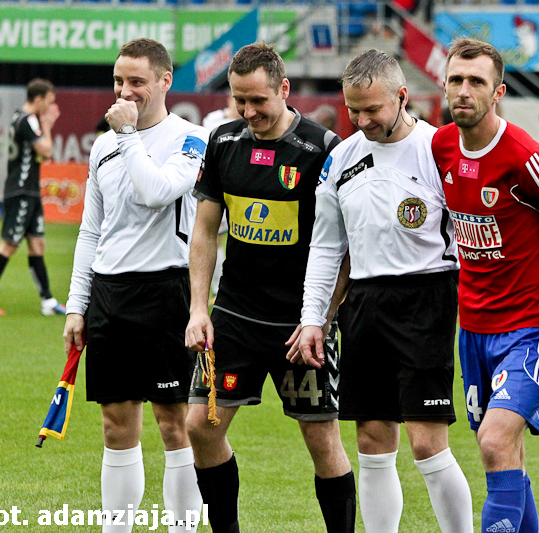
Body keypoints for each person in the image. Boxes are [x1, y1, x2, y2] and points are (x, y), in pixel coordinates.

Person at [296, 49, 473, 533]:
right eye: (354, 110)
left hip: (428, 297)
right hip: (364, 302)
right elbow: (326, 247)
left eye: (372, 109)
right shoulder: (340, 159)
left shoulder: (438, 148)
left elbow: (470, 232)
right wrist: (313, 318)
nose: (362, 120)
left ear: (402, 96)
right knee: (372, 440)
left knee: (427, 443)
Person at [183, 42, 356, 533]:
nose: (248, 111)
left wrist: (322, 318)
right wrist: (199, 309)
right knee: (200, 427)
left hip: (299, 324)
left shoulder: (322, 149)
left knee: (321, 440)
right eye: (239, 100)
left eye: (258, 100)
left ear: (284, 88)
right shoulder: (222, 141)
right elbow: (205, 232)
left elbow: (344, 245)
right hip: (235, 317)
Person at [431, 38, 539, 532]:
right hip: (474, 326)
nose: (464, 90)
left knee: (495, 440)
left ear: (498, 91)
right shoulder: (441, 146)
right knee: (504, 451)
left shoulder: (526, 158)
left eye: (476, 82)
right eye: (456, 80)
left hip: (532, 324)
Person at [62, 38, 208, 533]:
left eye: (137, 82)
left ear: (165, 82)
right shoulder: (102, 146)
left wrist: (126, 133)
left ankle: (183, 528)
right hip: (110, 295)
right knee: (115, 424)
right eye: (118, 81)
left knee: (174, 423)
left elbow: (157, 192)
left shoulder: (192, 138)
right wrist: (76, 305)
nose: (125, 91)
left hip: (168, 292)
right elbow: (91, 230)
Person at [0, 78, 65, 317]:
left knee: (37, 244)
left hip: (29, 190)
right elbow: (46, 150)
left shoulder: (18, 118)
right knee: (9, 244)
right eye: (49, 102)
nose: (51, 107)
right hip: (21, 191)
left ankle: (47, 301)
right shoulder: (28, 120)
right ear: (38, 99)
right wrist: (47, 125)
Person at [201, 95, 242, 299]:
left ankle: (222, 287)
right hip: (218, 185)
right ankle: (216, 287)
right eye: (238, 100)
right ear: (229, 100)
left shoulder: (246, 123)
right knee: (214, 237)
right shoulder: (213, 121)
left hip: (237, 187)